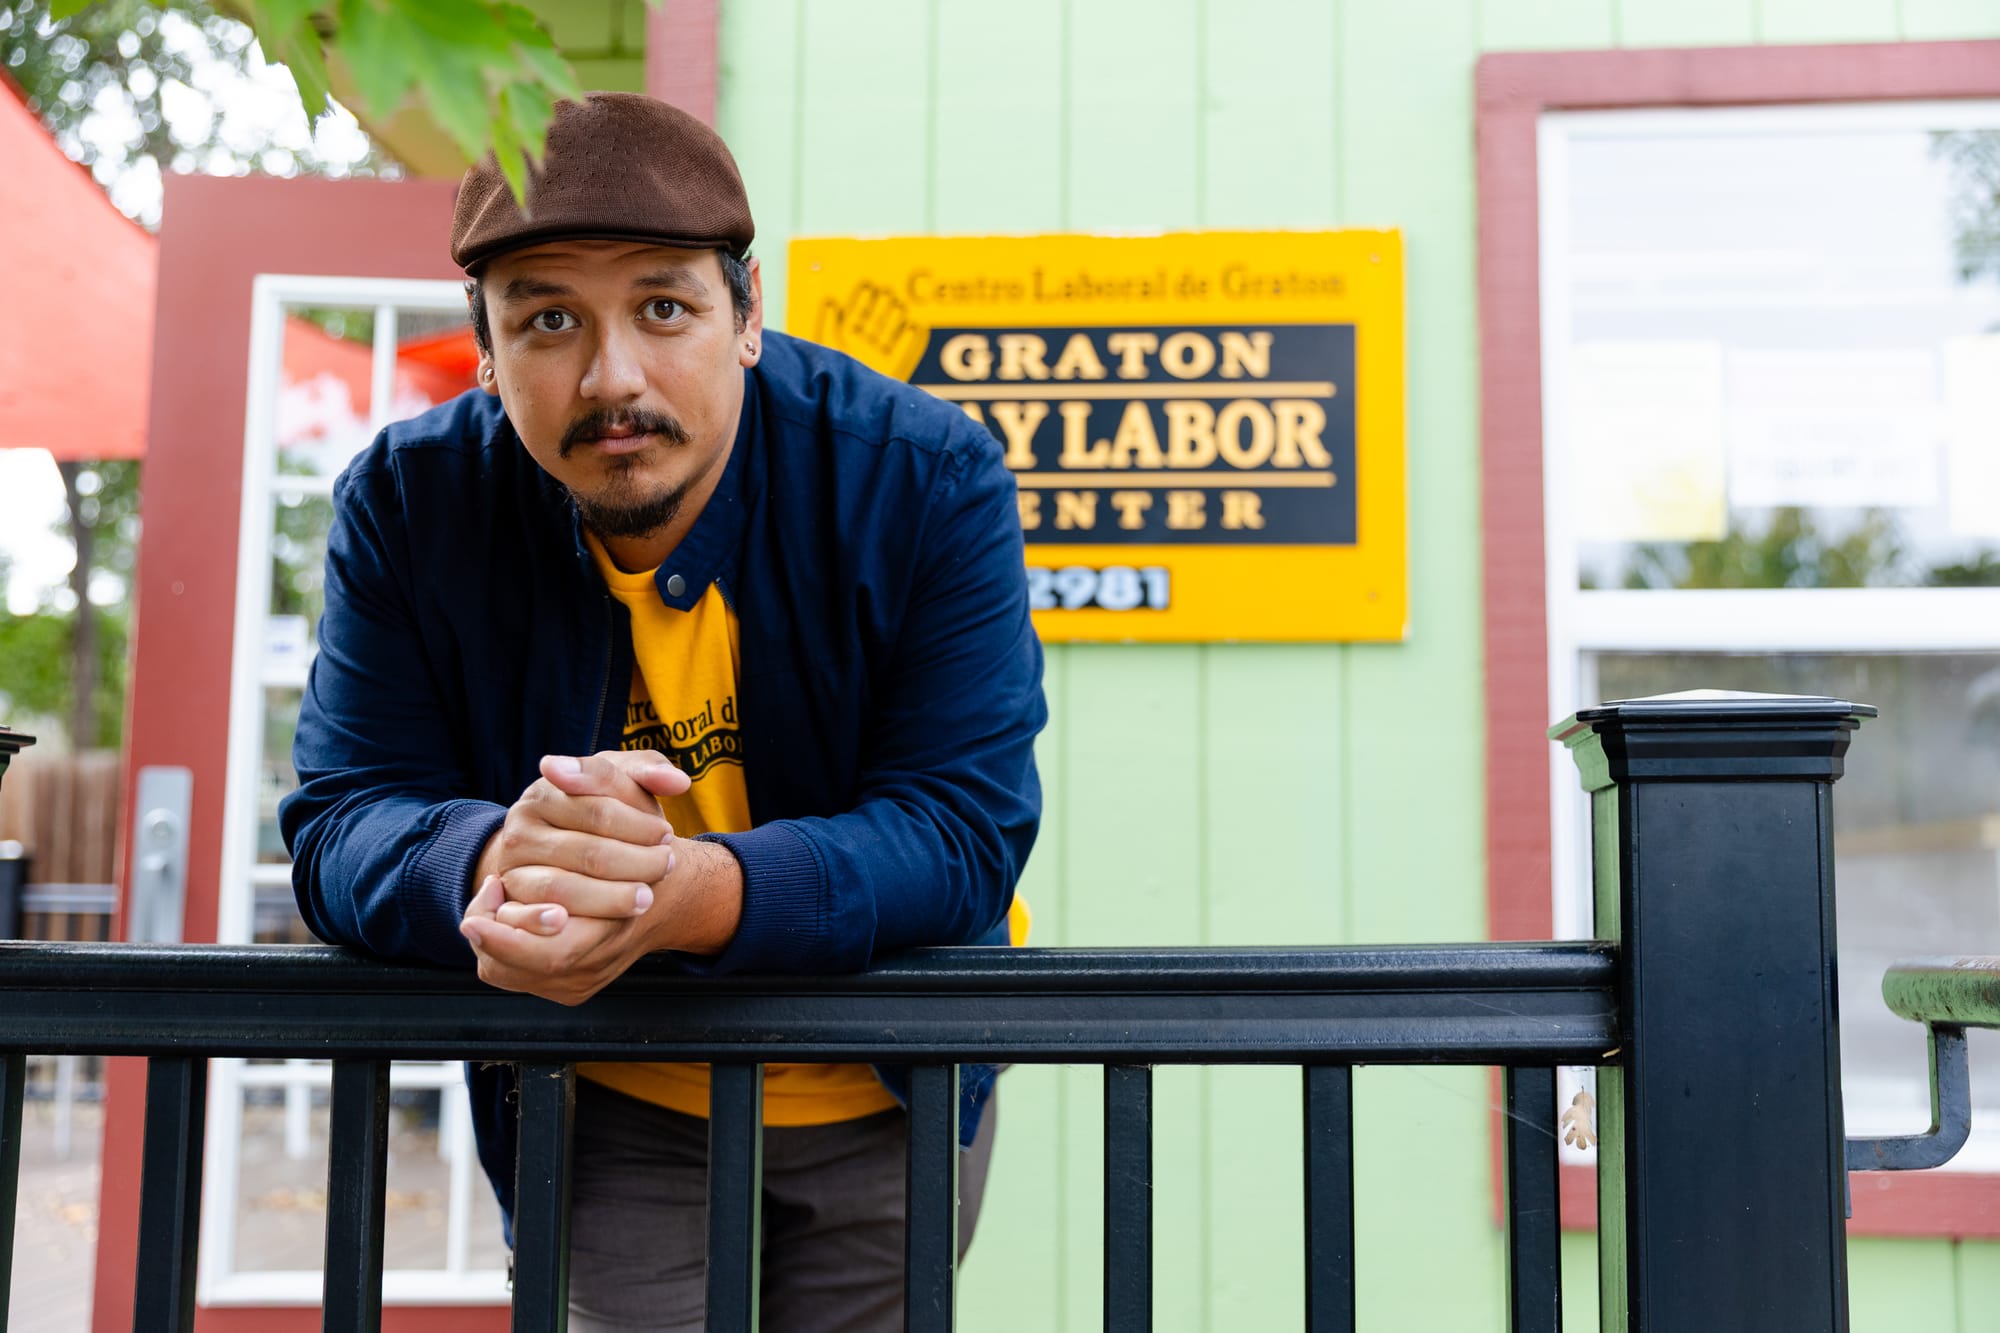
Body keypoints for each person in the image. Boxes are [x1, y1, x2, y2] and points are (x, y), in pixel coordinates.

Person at [278, 91, 1045, 1329]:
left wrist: (680, 892)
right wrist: (487, 858)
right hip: (607, 1094)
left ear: (748, 314)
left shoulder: (924, 477)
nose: (611, 376)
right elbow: (341, 821)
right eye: (547, 320)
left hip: (885, 1092)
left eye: (664, 307)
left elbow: (961, 834)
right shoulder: (409, 505)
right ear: (482, 348)